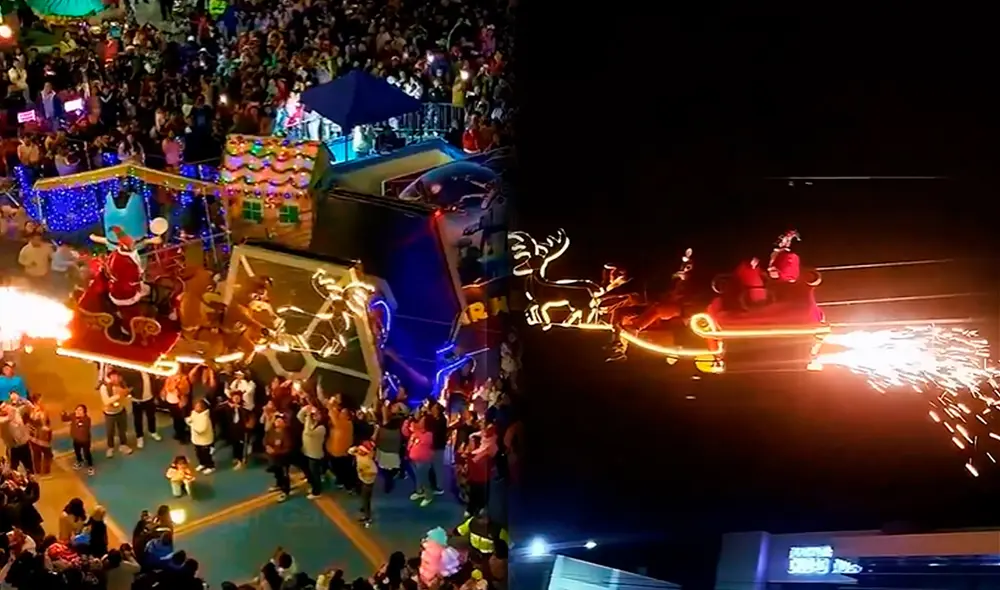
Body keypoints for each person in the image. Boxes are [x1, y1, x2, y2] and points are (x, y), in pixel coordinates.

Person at [99, 369, 133, 458]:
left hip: (121, 411)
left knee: (122, 429)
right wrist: (119, 395)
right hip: (109, 414)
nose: (116, 379)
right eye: (113, 377)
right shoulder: (104, 387)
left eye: (117, 377)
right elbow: (106, 401)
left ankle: (123, 445)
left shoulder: (122, 386)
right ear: (109, 377)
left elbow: (127, 396)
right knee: (110, 431)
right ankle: (110, 447)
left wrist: (126, 394)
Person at [404, 413, 434, 507]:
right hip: (413, 459)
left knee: (424, 478)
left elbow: (421, 441)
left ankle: (428, 496)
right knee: (418, 477)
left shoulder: (429, 435)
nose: (419, 422)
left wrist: (415, 431)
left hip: (423, 461)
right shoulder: (417, 431)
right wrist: (408, 423)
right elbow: (405, 432)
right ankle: (419, 491)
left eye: (422, 421)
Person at [125, 370, 160, 449]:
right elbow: (126, 384)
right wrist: (131, 394)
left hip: (149, 399)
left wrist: (156, 395)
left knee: (151, 417)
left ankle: (153, 431)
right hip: (137, 401)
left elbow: (155, 383)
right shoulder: (132, 373)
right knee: (138, 420)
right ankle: (139, 437)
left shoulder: (150, 372)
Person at [297, 403, 326, 499]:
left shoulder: (322, 428)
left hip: (315, 454)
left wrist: (309, 416)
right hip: (307, 451)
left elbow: (308, 432)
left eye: (317, 414)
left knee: (315, 473)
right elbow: (299, 416)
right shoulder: (310, 422)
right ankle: (313, 484)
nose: (314, 416)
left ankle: (317, 492)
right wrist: (306, 408)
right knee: (310, 471)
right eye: (314, 414)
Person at [220, 390, 253, 470]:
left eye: (238, 397)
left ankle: (241, 461)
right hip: (232, 429)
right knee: (234, 444)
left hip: (241, 430)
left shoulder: (244, 406)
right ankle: (236, 458)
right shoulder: (228, 406)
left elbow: (248, 415)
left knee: (241, 445)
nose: (236, 399)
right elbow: (217, 409)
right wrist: (227, 404)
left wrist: (239, 408)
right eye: (234, 397)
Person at [264, 414, 294, 502]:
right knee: (277, 473)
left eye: (280, 421)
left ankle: (285, 491)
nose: (278, 422)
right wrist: (267, 446)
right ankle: (278, 484)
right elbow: (265, 439)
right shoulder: (271, 431)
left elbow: (288, 447)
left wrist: (276, 452)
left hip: (283, 459)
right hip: (273, 458)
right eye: (277, 421)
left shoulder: (287, 433)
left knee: (284, 475)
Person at [348, 440, 377, 527]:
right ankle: (364, 509)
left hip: (368, 482)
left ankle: (367, 517)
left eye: (361, 450)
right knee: (363, 496)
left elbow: (374, 471)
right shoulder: (359, 455)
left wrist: (364, 472)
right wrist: (355, 449)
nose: (359, 451)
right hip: (362, 479)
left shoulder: (368, 460)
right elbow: (350, 451)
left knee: (366, 499)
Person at [60, 404, 93, 475]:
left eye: (80, 410)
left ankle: (90, 466)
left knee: (86, 453)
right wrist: (63, 415)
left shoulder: (87, 419)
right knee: (77, 452)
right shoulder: (73, 415)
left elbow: (84, 428)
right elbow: (65, 419)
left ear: (84, 412)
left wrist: (78, 420)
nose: (77, 411)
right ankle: (79, 461)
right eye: (77, 409)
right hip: (76, 439)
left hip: (85, 440)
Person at [0, 403, 33, 473]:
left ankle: (32, 481)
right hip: (13, 448)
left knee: (30, 467)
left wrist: (22, 401)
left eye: (5, 406)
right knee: (13, 470)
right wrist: (12, 412)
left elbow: (29, 407)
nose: (5, 409)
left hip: (24, 444)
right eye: (2, 408)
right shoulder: (1, 419)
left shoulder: (16, 412)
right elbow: (8, 419)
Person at [161, 370, 191, 443]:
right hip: (170, 402)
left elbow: (187, 391)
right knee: (175, 419)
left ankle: (182, 435)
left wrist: (178, 386)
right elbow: (165, 388)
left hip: (179, 403)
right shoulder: (169, 379)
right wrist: (163, 394)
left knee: (180, 419)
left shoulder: (183, 380)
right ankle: (178, 433)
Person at [186, 399, 215, 474]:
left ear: (203, 408)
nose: (195, 407)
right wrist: (189, 420)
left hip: (205, 441)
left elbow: (201, 430)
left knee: (206, 454)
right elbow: (192, 418)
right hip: (196, 440)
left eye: (198, 406)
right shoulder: (194, 413)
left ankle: (210, 466)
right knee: (199, 453)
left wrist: (191, 424)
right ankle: (202, 464)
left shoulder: (205, 417)